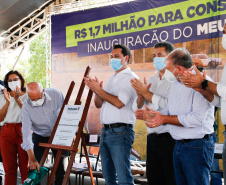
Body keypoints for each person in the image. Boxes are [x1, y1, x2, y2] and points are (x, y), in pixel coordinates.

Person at [135, 48, 215, 185]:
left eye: (168, 68)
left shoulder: (202, 82)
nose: (166, 72)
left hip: (196, 146)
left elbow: (196, 118)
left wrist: (164, 119)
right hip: (178, 145)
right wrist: (155, 115)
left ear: (178, 68)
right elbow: (170, 110)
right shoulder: (176, 84)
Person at [179, 23, 226, 183]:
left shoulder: (210, 74)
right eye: (224, 31)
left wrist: (204, 83)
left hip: (204, 135)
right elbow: (219, 100)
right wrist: (200, 87)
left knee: (209, 172)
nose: (224, 35)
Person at [84, 44, 137, 185]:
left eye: (116, 56)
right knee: (108, 177)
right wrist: (96, 90)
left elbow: (120, 103)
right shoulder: (112, 78)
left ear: (126, 58)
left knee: (124, 178)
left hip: (121, 132)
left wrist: (99, 90)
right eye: (111, 56)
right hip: (106, 131)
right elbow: (99, 104)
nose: (112, 59)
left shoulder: (130, 78)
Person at [131, 41, 176, 185]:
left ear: (170, 57)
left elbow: (168, 105)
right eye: (154, 55)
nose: (156, 58)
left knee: (170, 179)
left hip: (169, 138)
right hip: (152, 138)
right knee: (154, 179)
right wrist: (140, 96)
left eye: (160, 55)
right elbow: (139, 106)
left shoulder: (175, 80)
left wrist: (146, 93)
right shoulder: (151, 79)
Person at [21, 82, 67, 185]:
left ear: (43, 91)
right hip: (39, 134)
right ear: (28, 96)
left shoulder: (56, 94)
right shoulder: (26, 107)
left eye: (38, 97)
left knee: (60, 169)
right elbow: (26, 134)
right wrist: (32, 159)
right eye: (33, 99)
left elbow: (67, 114)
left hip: (58, 133)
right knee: (33, 168)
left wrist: (72, 133)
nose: (36, 101)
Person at [0, 70, 29, 185]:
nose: (13, 82)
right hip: (6, 130)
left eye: (16, 79)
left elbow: (29, 114)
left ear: (21, 81)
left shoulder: (28, 95)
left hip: (23, 129)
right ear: (7, 83)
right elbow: (0, 118)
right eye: (10, 80)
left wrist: (17, 99)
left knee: (25, 167)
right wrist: (7, 102)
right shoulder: (3, 96)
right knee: (9, 168)